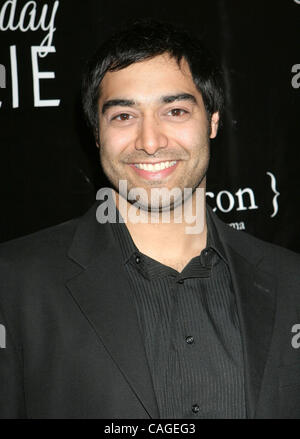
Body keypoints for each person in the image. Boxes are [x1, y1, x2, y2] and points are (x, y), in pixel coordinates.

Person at [0, 19, 300, 420]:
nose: (151, 141)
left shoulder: (291, 282)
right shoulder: (14, 285)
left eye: (175, 111)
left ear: (212, 121)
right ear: (96, 133)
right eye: (123, 116)